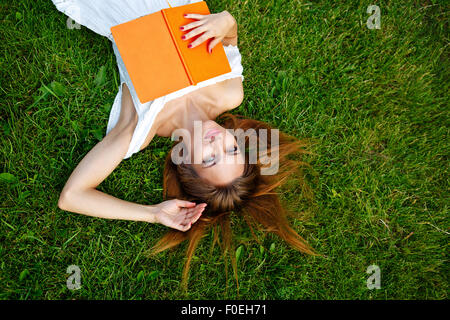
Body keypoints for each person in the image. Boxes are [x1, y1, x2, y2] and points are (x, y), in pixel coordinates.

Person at [53, 0, 317, 288]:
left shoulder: (139, 128)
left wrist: (152, 213)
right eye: (231, 150)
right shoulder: (229, 93)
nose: (217, 143)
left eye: (210, 159)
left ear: (185, 162)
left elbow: (71, 197)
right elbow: (228, 36)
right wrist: (225, 21)